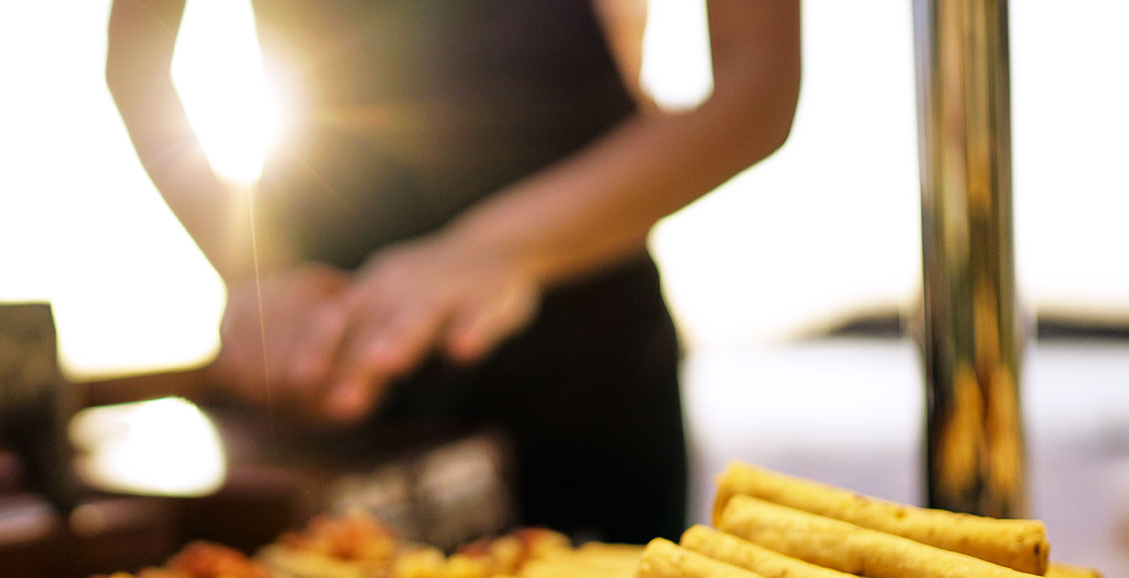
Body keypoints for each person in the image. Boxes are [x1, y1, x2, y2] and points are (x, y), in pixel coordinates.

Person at [107, 0, 800, 540]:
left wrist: (501, 247)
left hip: (583, 354)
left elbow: (758, 81)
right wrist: (256, 269)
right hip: (330, 350)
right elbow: (136, 62)